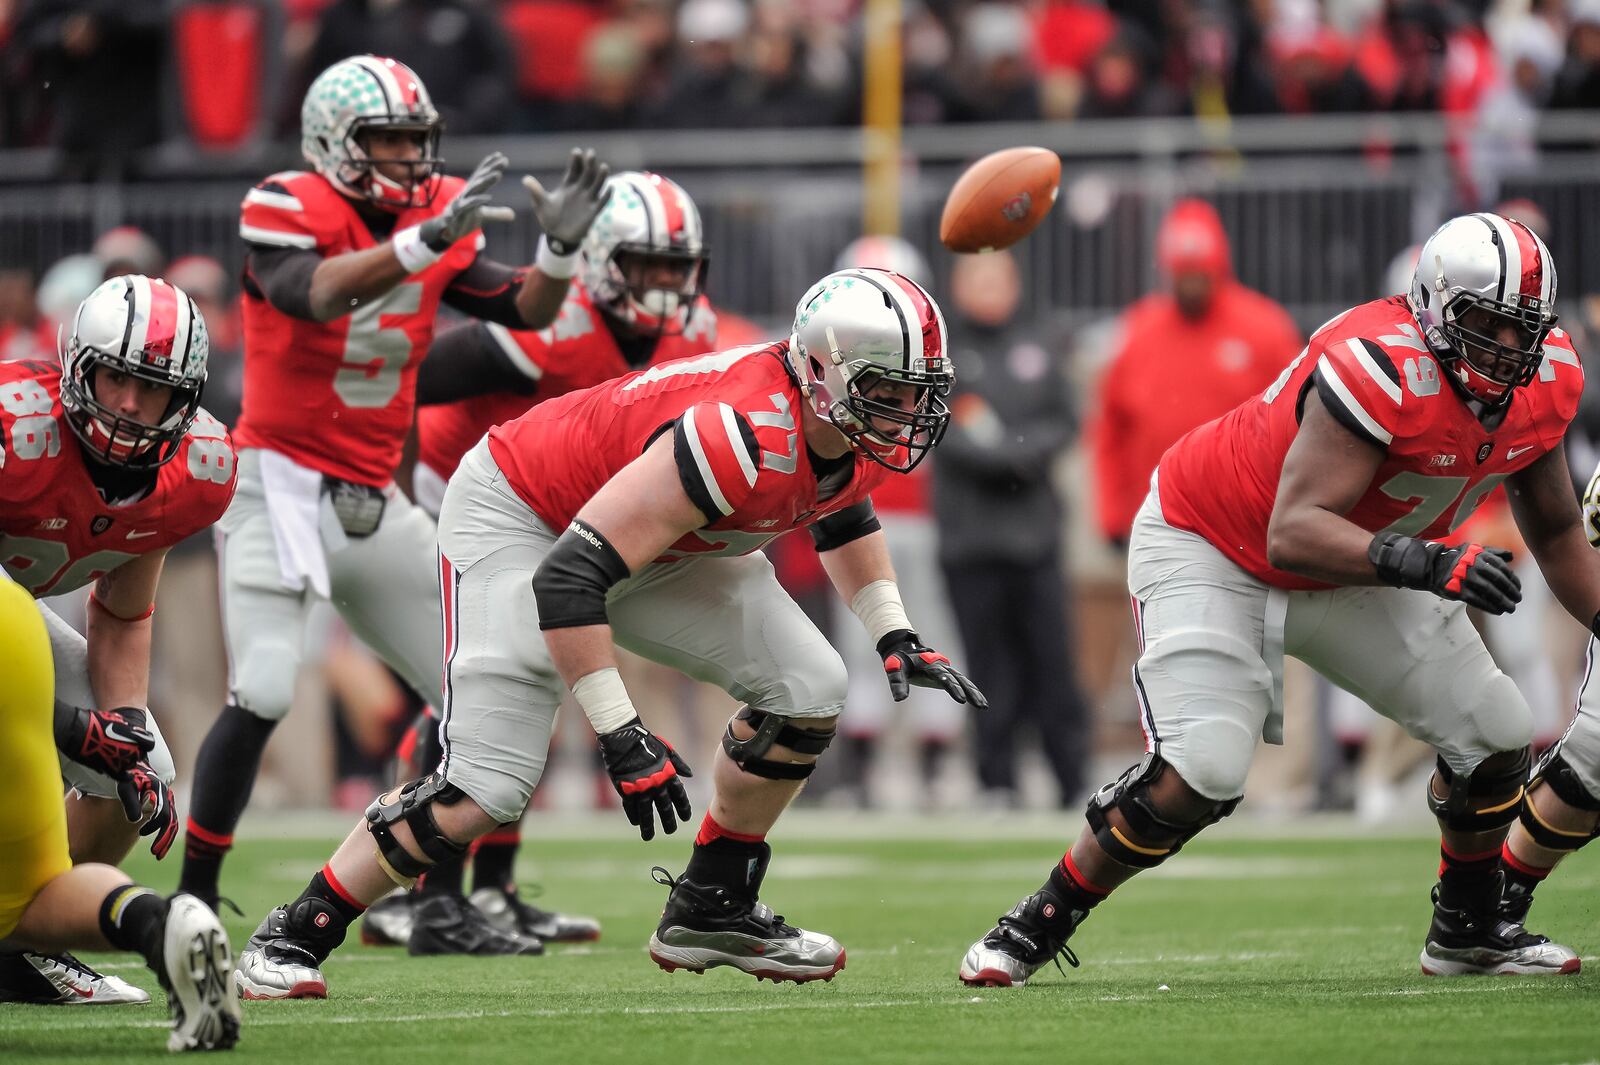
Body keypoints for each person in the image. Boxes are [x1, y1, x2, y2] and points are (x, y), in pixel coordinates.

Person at [234, 267, 984, 998]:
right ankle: (295, 932)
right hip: (525, 515)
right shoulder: (743, 431)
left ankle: (710, 907)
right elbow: (568, 577)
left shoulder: (840, 424)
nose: (903, 411)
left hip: (644, 536)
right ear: (821, 372)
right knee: (487, 785)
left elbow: (843, 509)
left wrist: (893, 629)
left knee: (810, 687)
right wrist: (620, 731)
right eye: (886, 390)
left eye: (917, 393)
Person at [958, 212, 1591, 986]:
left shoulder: (1547, 377)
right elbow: (1293, 531)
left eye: (1524, 329)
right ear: (1431, 307)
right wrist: (1427, 561)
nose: (1508, 347)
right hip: (1217, 541)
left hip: (1358, 562)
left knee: (1497, 731)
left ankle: (1469, 930)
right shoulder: (1379, 362)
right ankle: (1037, 919)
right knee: (1203, 770)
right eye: (1486, 322)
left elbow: (1559, 527)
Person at [176, 54, 612, 963]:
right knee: (260, 685)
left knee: (475, 693)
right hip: (278, 482)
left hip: (373, 496)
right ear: (334, 146)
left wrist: (560, 252)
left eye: (419, 141)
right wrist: (417, 246)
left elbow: (524, 309)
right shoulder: (287, 206)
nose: (411, 160)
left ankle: (432, 904)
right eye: (390, 141)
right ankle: (194, 902)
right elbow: (311, 292)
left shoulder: (434, 210)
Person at [360, 168, 717, 950]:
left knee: (540, 679)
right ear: (597, 263)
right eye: (644, 265)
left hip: (562, 513)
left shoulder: (694, 336)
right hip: (476, 497)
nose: (663, 284)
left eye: (674, 267)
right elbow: (407, 384)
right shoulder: (550, 326)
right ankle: (425, 894)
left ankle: (490, 891)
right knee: (482, 686)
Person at [0, 275, 238, 1004]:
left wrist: (120, 725)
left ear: (186, 396)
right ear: (79, 366)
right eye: (115, 378)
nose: (131, 404)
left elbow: (125, 610)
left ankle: (29, 944)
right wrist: (71, 727)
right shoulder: (15, 428)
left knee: (143, 768)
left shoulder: (196, 470)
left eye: (152, 387)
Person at [0, 575, 239, 1048]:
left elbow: (127, 607)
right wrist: (75, 729)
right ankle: (161, 923)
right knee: (26, 896)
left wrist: (106, 732)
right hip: (17, 623)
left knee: (14, 907)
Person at [935, 248, 1087, 808]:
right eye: (978, 277)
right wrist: (1005, 456)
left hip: (1035, 537)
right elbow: (941, 428)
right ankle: (995, 780)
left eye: (998, 277)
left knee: (1053, 664)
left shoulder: (1042, 342)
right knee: (985, 669)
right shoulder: (943, 352)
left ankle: (1070, 779)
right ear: (960, 284)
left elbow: (1065, 421)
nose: (989, 287)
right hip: (969, 539)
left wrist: (1014, 450)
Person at [1090, 198, 1302, 548]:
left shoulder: (1264, 329)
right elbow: (1112, 428)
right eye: (1183, 273)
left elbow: (1297, 420)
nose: (1192, 284)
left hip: (1245, 518)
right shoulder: (1137, 331)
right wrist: (1112, 513)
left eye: (1200, 272)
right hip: (1161, 519)